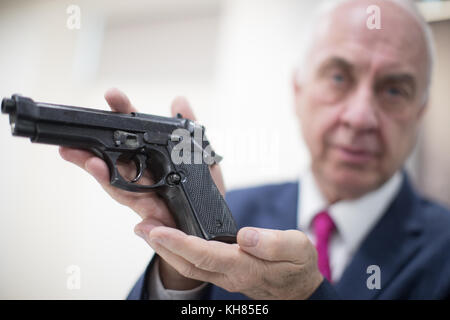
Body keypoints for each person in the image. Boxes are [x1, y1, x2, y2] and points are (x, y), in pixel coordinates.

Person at [60, 0, 450, 299]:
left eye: (394, 89)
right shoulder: (225, 214)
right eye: (338, 77)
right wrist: (181, 273)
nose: (361, 117)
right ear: (298, 91)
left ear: (420, 112)